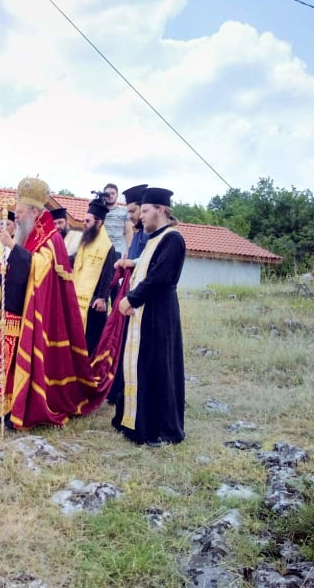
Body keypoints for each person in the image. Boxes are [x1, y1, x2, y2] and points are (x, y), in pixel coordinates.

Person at [0, 177, 106, 430]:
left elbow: (39, 270)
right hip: (18, 309)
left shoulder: (51, 237)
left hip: (39, 314)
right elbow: (22, 267)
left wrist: (13, 247)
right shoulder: (28, 235)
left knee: (31, 362)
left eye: (21, 213)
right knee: (11, 359)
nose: (17, 218)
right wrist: (6, 268)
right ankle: (12, 404)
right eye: (17, 212)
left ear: (35, 212)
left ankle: (28, 407)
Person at [112, 188, 186, 446]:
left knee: (157, 368)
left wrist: (131, 299)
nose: (140, 217)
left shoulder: (172, 239)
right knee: (141, 366)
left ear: (161, 210)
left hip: (160, 313)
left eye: (145, 211)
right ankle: (134, 423)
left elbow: (160, 277)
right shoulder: (156, 238)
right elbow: (144, 270)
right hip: (145, 311)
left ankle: (159, 430)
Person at [72, 199, 115, 356]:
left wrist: (102, 298)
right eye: (84, 220)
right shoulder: (85, 242)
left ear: (99, 223)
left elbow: (108, 274)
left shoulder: (107, 247)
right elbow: (75, 261)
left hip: (94, 303)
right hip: (78, 300)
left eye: (87, 221)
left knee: (91, 342)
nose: (84, 223)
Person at [115, 184, 150, 267]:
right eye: (128, 212)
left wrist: (132, 262)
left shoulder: (155, 235)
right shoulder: (137, 236)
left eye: (133, 211)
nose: (130, 216)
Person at [102, 183, 133, 259]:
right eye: (107, 194)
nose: (110, 196)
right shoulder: (100, 211)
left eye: (113, 193)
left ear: (117, 195)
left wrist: (129, 250)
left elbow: (129, 232)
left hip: (119, 251)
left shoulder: (124, 212)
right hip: (102, 250)